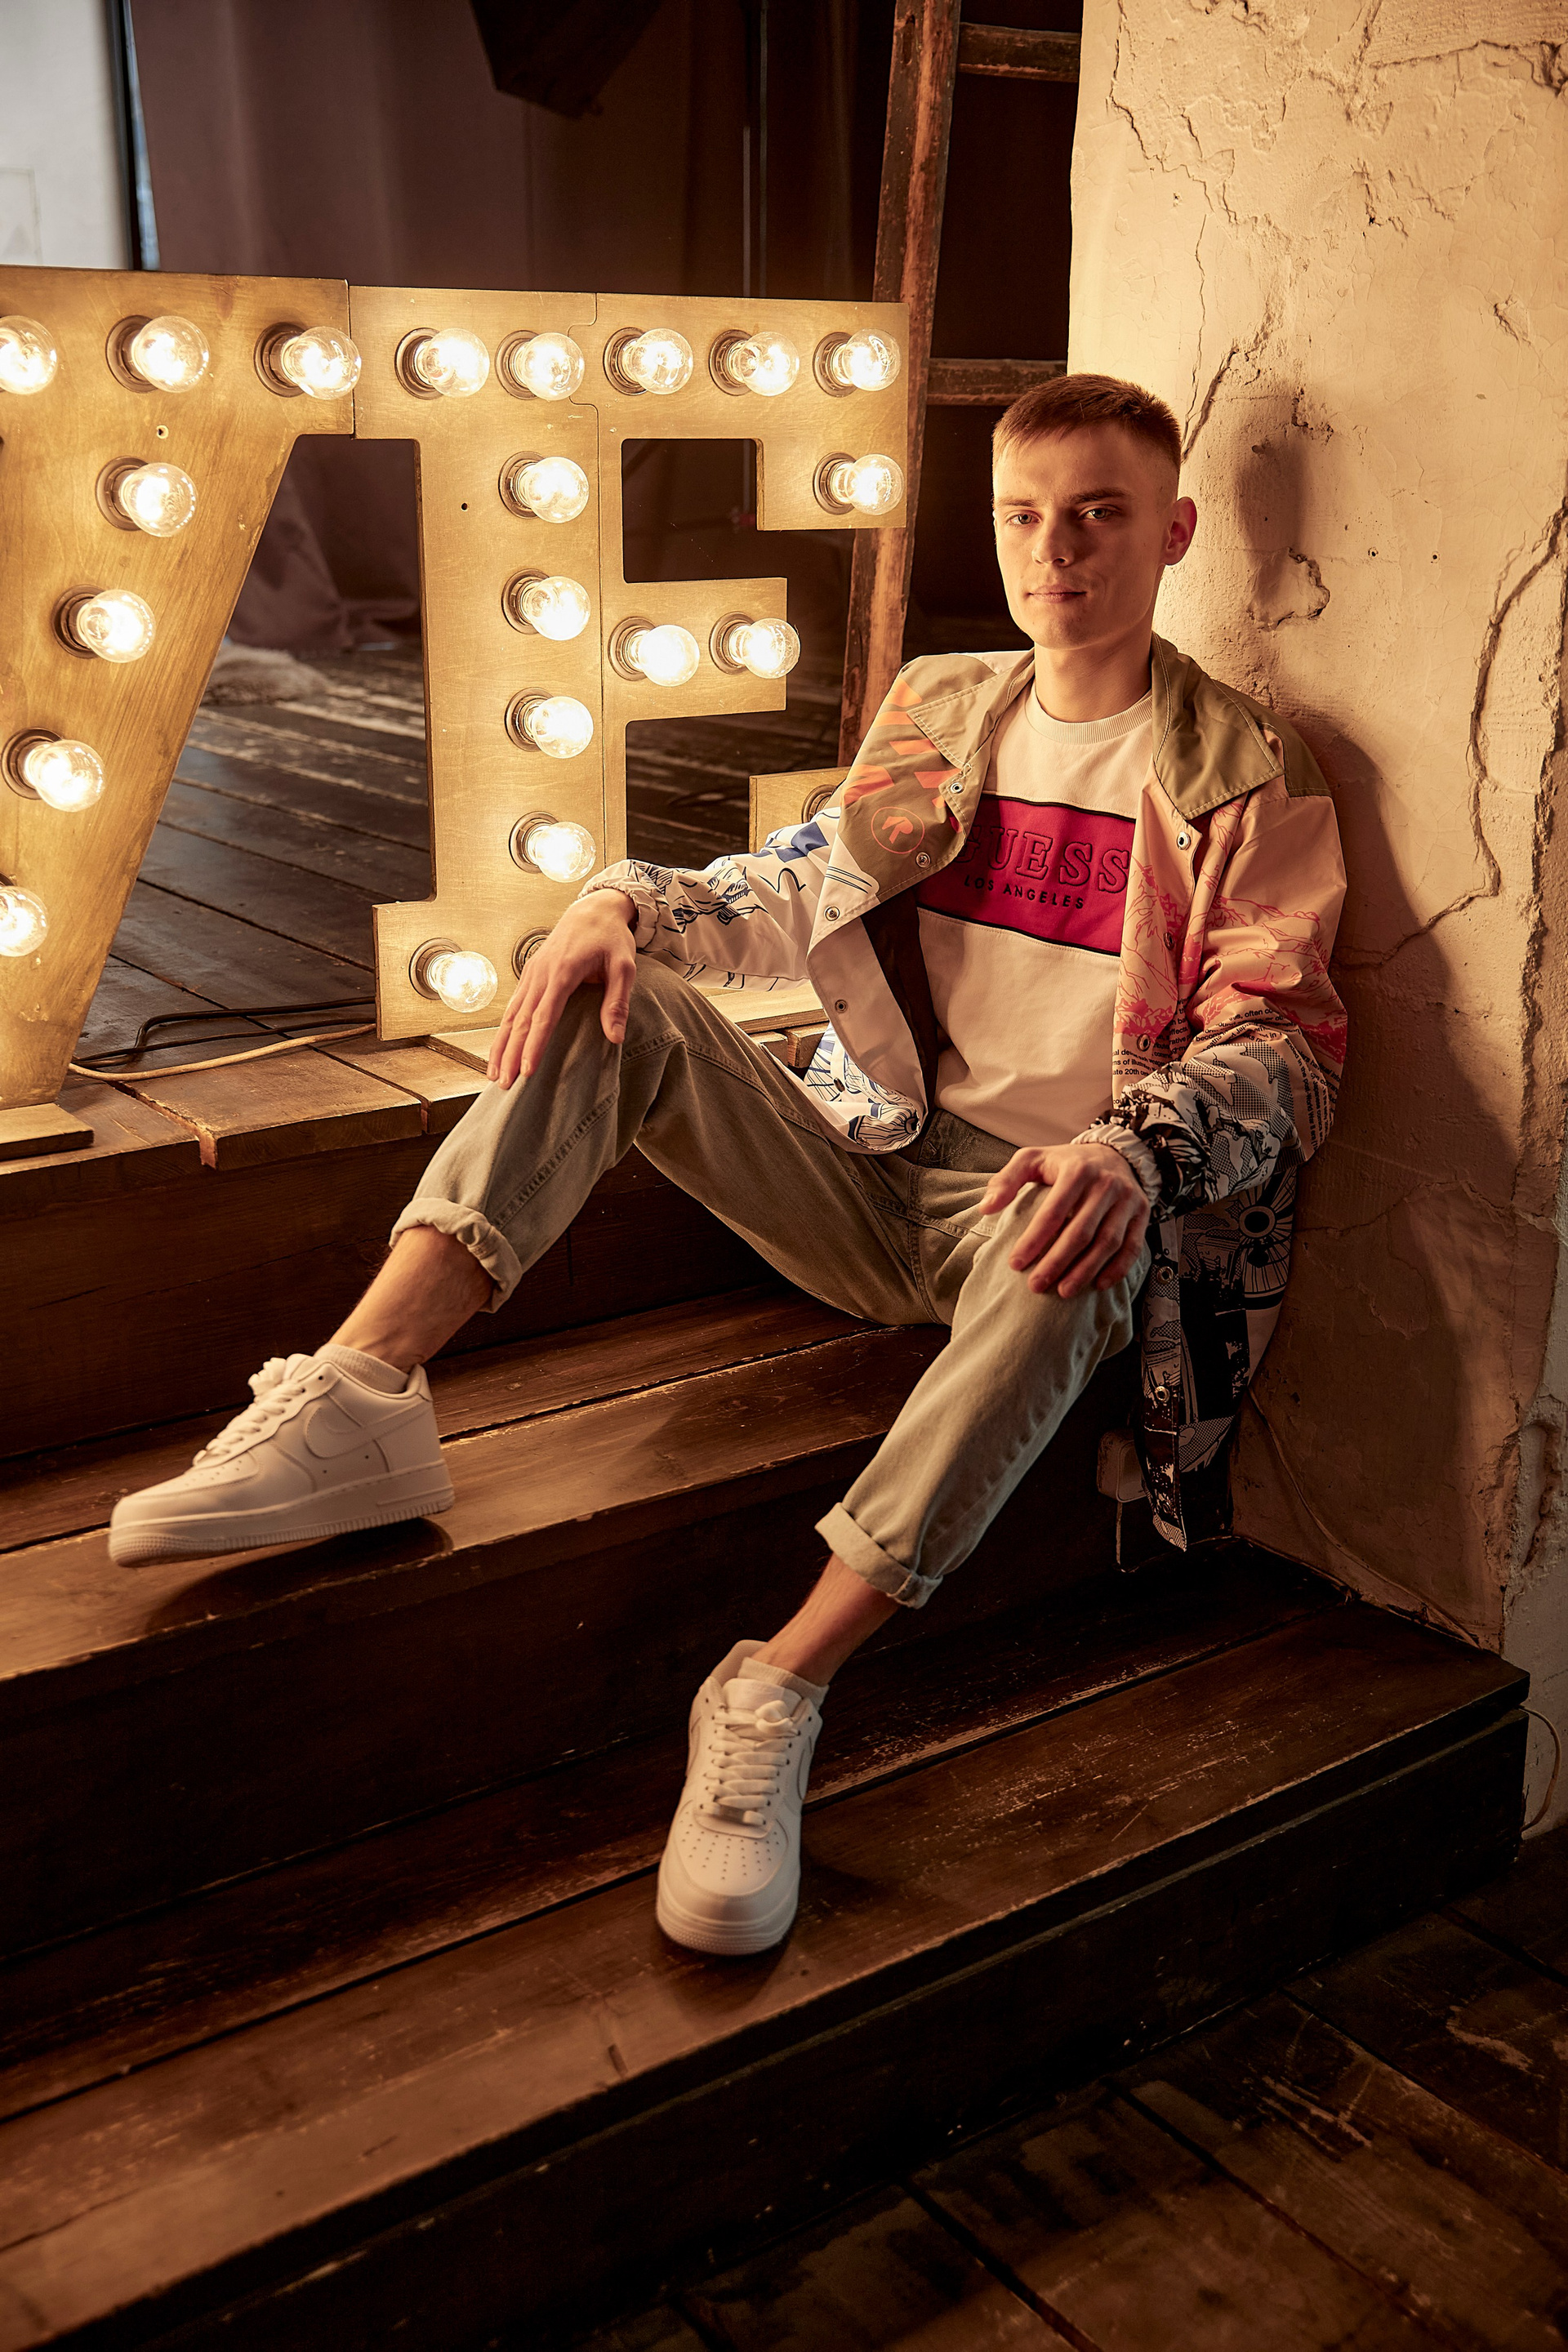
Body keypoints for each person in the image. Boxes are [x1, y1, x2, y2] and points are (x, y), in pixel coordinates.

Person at [110, 374, 1348, 1958]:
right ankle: (362, 1391)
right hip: (871, 1155)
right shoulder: (947, 709)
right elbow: (801, 880)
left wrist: (1133, 1151)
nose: (1058, 551)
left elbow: (1286, 1042)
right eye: (1026, 516)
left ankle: (774, 1686)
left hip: (1040, 1208)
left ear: (1171, 535)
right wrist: (620, 903)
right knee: (604, 984)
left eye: (1101, 515)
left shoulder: (1246, 767)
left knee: (1076, 1261)